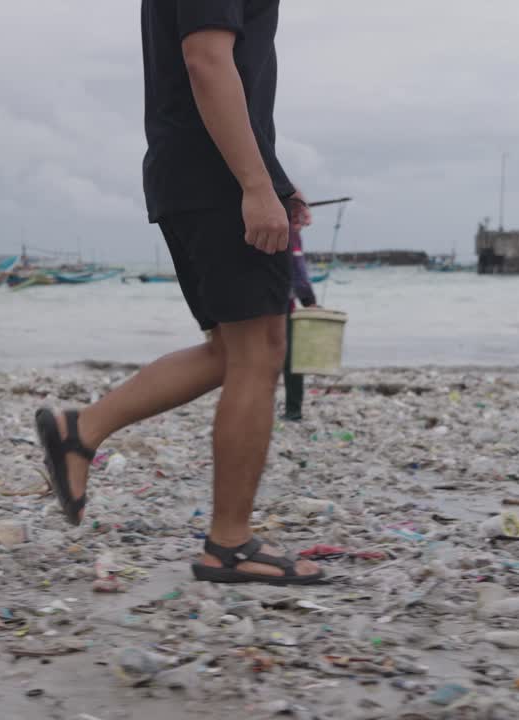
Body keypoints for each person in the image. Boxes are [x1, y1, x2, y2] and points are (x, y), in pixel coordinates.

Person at [35, 0, 324, 587]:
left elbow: (222, 67)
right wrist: (252, 184)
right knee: (259, 352)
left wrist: (274, 179)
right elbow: (206, 62)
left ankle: (80, 430)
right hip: (214, 175)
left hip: (203, 171)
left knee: (233, 351)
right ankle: (230, 543)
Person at [282, 220, 317, 422]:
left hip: (256, 301)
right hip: (282, 305)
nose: (307, 222)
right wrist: (309, 300)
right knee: (293, 359)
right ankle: (293, 410)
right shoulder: (290, 233)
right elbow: (297, 270)